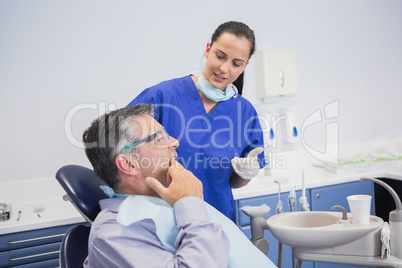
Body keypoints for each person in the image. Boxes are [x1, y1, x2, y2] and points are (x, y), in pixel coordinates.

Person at [81, 104, 276, 268]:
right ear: (129, 164)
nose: (175, 142)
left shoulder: (170, 201)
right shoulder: (113, 234)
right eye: (159, 139)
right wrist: (190, 204)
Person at [127, 21, 265, 221]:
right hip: (161, 217)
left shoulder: (245, 113)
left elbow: (235, 183)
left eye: (236, 64)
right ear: (208, 49)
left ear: (245, 66)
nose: (224, 68)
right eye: (220, 56)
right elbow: (120, 146)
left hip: (216, 219)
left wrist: (246, 172)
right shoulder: (162, 96)